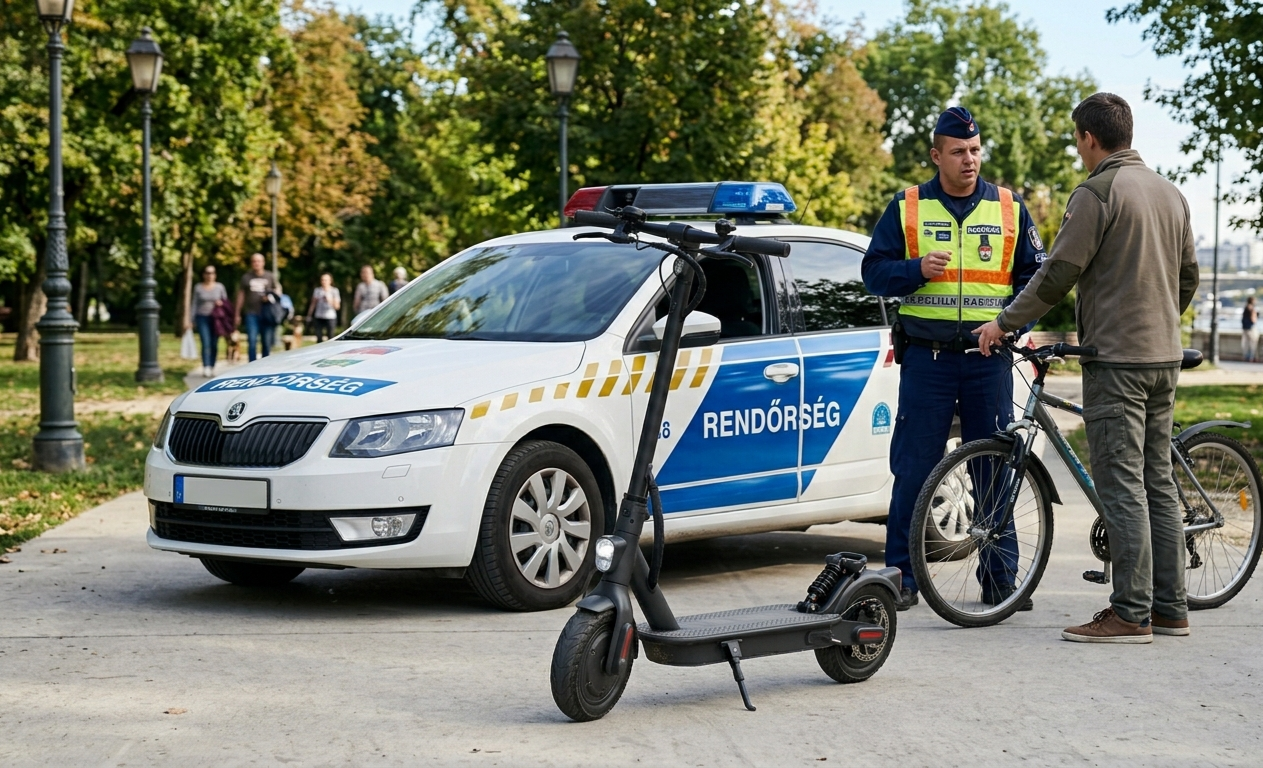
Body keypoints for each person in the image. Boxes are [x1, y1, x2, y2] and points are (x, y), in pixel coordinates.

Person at [976, 93, 1200, 643]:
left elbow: (1058, 274)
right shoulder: (1170, 193)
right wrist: (1160, 322)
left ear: (1089, 138)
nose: (1078, 149)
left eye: (1077, 139)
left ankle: (1130, 613)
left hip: (1117, 361)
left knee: (1122, 485)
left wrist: (1003, 322)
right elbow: (1189, 276)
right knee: (1157, 480)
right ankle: (1170, 609)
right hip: (1163, 358)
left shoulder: (1097, 192)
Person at [862, 106, 1044, 611]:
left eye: (976, 150)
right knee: (914, 470)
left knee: (994, 470)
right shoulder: (907, 206)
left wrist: (1010, 326)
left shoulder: (1009, 208)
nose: (970, 159)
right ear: (936, 155)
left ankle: (1000, 581)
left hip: (988, 359)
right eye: (959, 151)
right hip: (929, 361)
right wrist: (915, 269)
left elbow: (1037, 279)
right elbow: (873, 273)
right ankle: (901, 578)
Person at [234, 252, 281, 361]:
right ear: (251, 263)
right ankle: (252, 365)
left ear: (263, 263)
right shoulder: (246, 277)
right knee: (252, 341)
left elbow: (278, 291)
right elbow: (241, 295)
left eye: (259, 261)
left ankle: (265, 366)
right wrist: (237, 313)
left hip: (267, 314)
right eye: (254, 261)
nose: (256, 263)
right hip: (251, 313)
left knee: (266, 342)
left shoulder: (270, 276)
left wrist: (269, 297)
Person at [192, 265, 228, 376]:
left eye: (212, 273)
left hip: (216, 319)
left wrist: (221, 303)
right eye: (207, 273)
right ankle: (206, 366)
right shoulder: (198, 287)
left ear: (215, 275)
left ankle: (212, 365)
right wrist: (191, 319)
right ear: (204, 275)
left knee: (214, 343)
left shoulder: (220, 287)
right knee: (205, 342)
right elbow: (194, 304)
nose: (210, 275)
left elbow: (226, 303)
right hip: (202, 317)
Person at [306, 273, 341, 343]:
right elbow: (313, 304)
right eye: (322, 280)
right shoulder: (317, 291)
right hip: (319, 316)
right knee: (319, 337)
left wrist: (330, 300)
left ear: (330, 281)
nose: (324, 282)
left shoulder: (334, 291)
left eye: (326, 280)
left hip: (330, 317)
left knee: (331, 337)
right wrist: (309, 315)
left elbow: (337, 307)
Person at [1243, 296, 1258, 363]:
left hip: (1245, 328)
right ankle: (1251, 357)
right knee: (1252, 343)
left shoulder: (1246, 308)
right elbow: (1253, 319)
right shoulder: (1252, 309)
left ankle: (1246, 356)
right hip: (1251, 328)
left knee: (1246, 344)